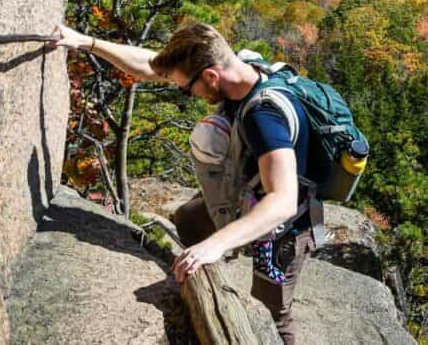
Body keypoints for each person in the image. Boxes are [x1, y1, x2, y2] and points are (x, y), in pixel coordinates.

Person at [48, 20, 316, 344]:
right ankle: (211, 272)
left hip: (286, 223)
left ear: (210, 76)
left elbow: (283, 200)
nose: (188, 94)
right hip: (245, 191)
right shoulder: (239, 66)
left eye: (187, 89)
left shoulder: (263, 115)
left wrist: (214, 246)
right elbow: (150, 65)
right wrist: (87, 41)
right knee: (189, 220)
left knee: (272, 312)